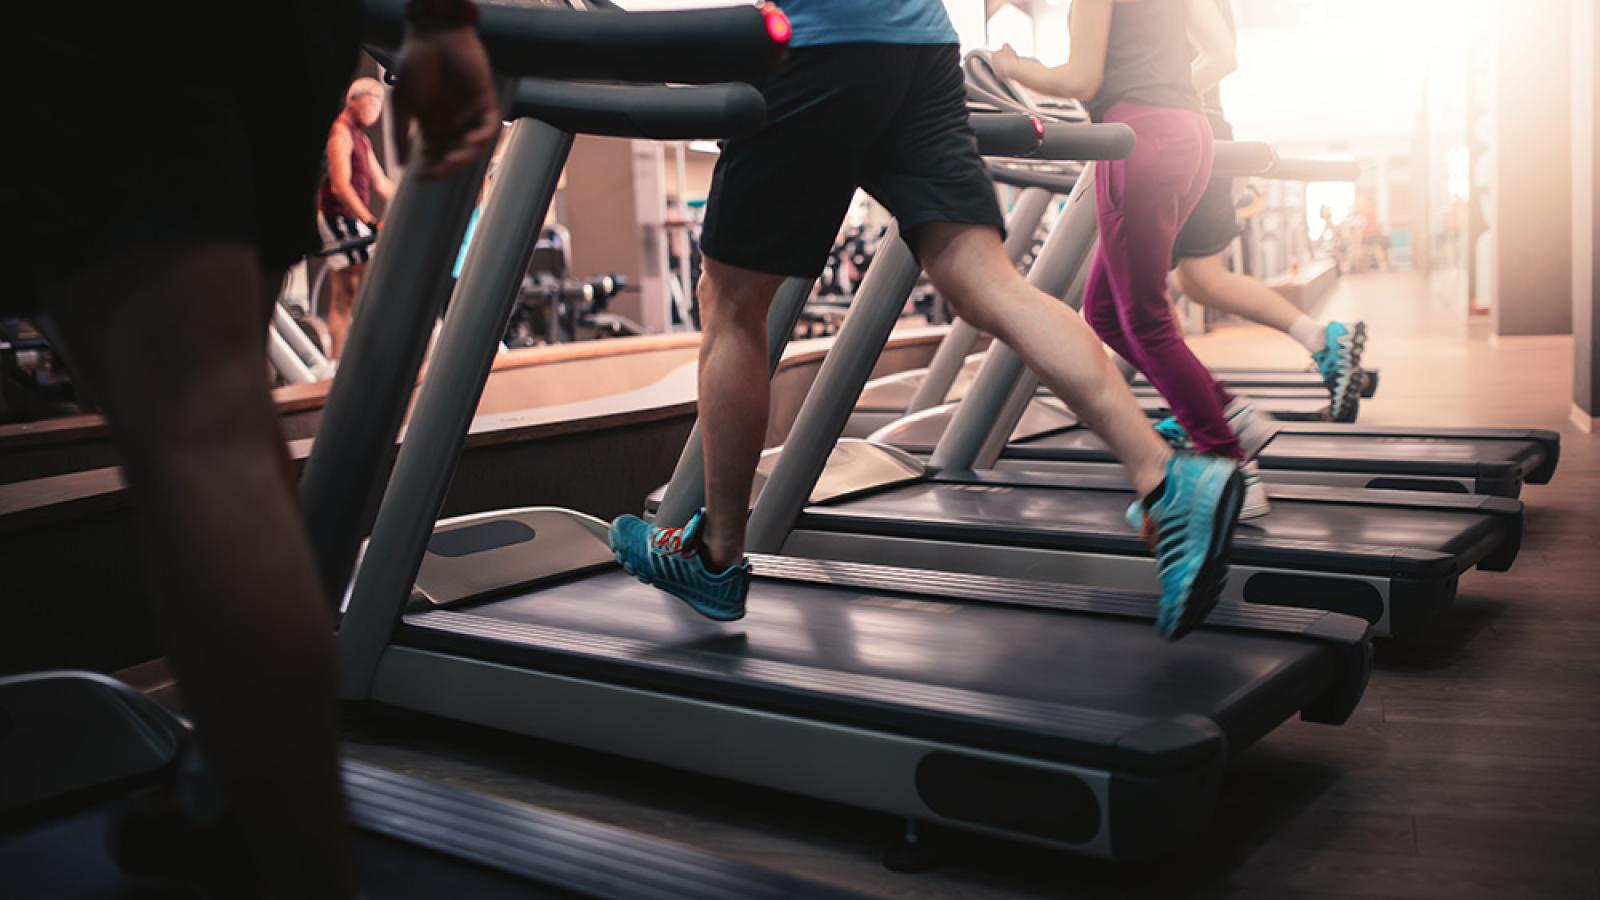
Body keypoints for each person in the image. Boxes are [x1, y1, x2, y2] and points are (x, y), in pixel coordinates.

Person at [9, 1, 500, 896]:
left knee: (195, 418)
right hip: (292, 28)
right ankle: (248, 803)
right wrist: (444, 24)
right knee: (222, 404)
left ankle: (289, 857)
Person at [610, 0, 1245, 642]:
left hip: (818, 43)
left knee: (730, 303)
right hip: (924, 50)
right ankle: (1163, 475)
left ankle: (715, 556)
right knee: (988, 280)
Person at [994, 0, 1276, 518]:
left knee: (1145, 320)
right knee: (1104, 311)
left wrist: (1013, 67)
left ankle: (1231, 464)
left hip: (1139, 137)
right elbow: (1217, 53)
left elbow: (1081, 77)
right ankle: (1228, 413)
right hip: (1188, 133)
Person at [1166, 0, 1367, 458]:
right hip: (1195, 129)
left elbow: (1218, 59)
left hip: (1179, 134)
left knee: (1139, 289)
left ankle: (1192, 402)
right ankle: (1320, 339)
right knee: (1199, 279)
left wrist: (1152, 110)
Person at [319, 77, 398, 359]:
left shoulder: (361, 139)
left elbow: (382, 184)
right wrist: (369, 221)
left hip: (352, 220)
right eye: (373, 100)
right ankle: (360, 360)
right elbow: (340, 185)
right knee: (372, 286)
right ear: (354, 99)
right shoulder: (340, 132)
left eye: (380, 101)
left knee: (346, 295)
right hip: (340, 217)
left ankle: (338, 362)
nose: (377, 108)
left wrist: (414, 206)